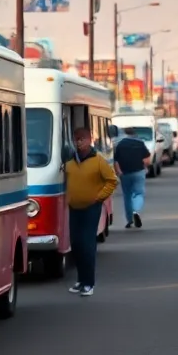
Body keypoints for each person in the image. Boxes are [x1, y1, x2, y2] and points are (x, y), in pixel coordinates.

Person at [64, 126, 118, 297]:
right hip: (74, 208)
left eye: (82, 139)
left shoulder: (98, 161)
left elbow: (112, 180)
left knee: (87, 245)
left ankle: (89, 283)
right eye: (77, 139)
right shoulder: (70, 163)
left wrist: (99, 197)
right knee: (77, 245)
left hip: (91, 208)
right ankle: (81, 280)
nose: (79, 143)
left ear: (90, 140)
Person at [113, 126, 151, 229]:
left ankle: (129, 220)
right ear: (134, 134)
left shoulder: (119, 144)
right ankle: (136, 210)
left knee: (127, 196)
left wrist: (118, 172)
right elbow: (147, 159)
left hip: (124, 173)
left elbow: (115, 160)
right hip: (139, 172)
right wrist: (145, 166)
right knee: (138, 193)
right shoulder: (140, 143)